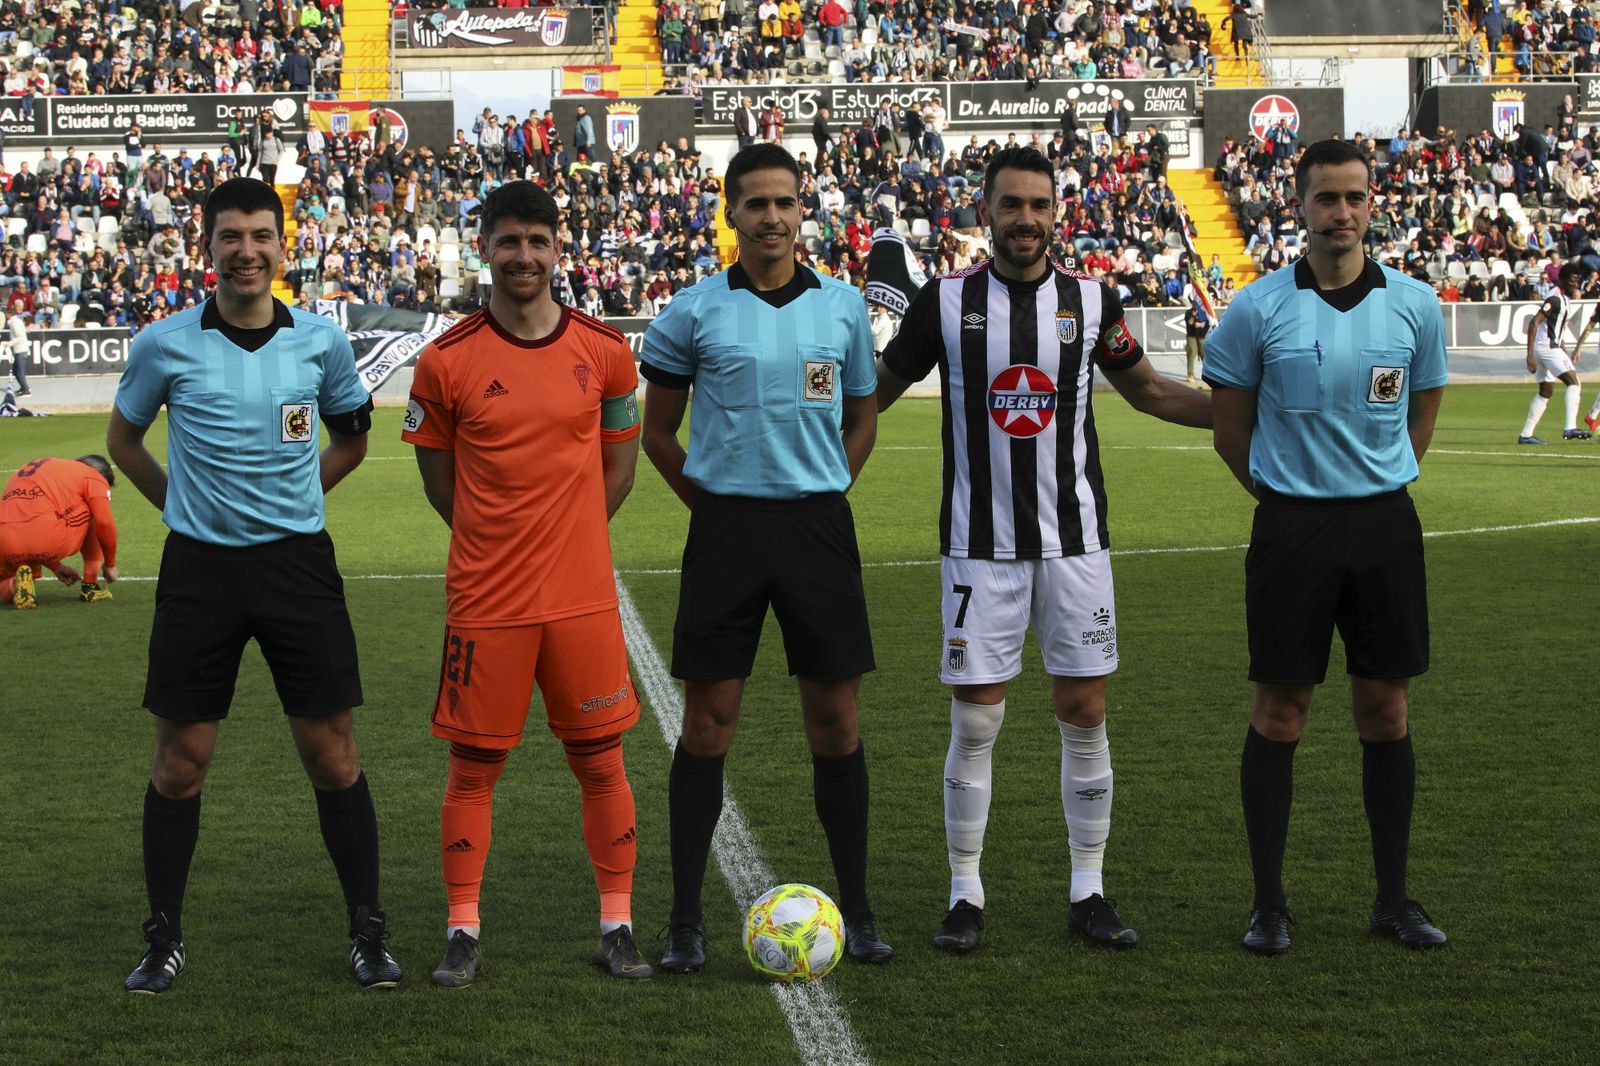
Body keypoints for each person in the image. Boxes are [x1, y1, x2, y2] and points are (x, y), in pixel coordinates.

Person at [874, 146, 1212, 955]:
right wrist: (806, 458)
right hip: (976, 547)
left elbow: (1154, 392)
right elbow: (874, 395)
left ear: (1058, 213)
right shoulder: (945, 302)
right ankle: (965, 893)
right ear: (984, 211)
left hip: (1076, 543)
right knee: (976, 718)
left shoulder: (1095, 302)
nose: (1025, 219)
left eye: (1039, 205)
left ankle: (1088, 889)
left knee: (1084, 711)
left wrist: (1251, 416)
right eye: (1010, 204)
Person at [105, 178, 399, 993]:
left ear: (283, 246)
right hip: (200, 570)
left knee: (333, 755)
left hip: (296, 565)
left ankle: (368, 933)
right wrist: (184, 507)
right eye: (230, 236)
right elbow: (122, 442)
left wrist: (298, 502)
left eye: (260, 236)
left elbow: (352, 439)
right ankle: (162, 937)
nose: (246, 250)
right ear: (207, 248)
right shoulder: (165, 344)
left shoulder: (319, 342)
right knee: (180, 763)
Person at [638, 143, 891, 972]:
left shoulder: (844, 308)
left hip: (818, 528)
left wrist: (828, 488)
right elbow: (658, 431)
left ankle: (857, 911)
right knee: (708, 725)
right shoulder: (694, 309)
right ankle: (683, 921)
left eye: (786, 202)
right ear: (730, 211)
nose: (773, 217)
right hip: (728, 534)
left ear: (801, 208)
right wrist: (712, 506)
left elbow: (863, 415)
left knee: (837, 722)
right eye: (756, 203)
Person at [401, 180, 652, 986]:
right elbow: (440, 483)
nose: (523, 257)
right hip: (489, 602)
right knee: (473, 767)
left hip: (580, 600)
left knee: (601, 761)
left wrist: (570, 538)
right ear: (484, 248)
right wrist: (495, 540)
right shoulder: (445, 361)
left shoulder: (606, 352)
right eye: (508, 242)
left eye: (537, 242)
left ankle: (617, 924)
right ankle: (463, 930)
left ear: (557, 248)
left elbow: (620, 471)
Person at [1205, 138, 1450, 955]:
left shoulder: (1415, 304)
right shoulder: (1257, 307)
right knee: (1281, 712)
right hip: (1292, 527)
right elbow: (1231, 431)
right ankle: (1269, 905)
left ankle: (1393, 899)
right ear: (1299, 206)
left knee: (1386, 710)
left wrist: (1384, 476)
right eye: (1325, 199)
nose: (1340, 213)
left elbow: (1424, 405)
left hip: (1384, 525)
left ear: (1372, 202)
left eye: (1354, 198)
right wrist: (1283, 497)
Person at [0, 455, 119, 609]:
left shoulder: (46, 466)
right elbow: (104, 522)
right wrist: (110, 564)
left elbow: (27, 524)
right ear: (97, 471)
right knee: (94, 509)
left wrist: (55, 566)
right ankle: (91, 585)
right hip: (45, 537)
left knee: (4, 581)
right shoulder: (91, 474)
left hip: (4, 542)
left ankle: (15, 584)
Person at [1523, 264, 1592, 443]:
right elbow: (1533, 322)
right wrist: (1529, 354)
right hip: (1547, 347)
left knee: (1546, 391)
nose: (1575, 284)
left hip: (1549, 347)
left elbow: (1555, 327)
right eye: (1572, 281)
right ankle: (1570, 427)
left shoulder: (1564, 298)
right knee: (1574, 382)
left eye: (1577, 281)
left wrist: (1564, 350)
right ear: (1562, 280)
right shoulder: (1555, 299)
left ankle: (1526, 435)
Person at [5, 307, 30, 397]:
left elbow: (21, 336)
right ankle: (23, 387)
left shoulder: (14, 323)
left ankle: (26, 390)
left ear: (9, 314)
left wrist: (9, 343)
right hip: (20, 349)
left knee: (19, 371)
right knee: (16, 370)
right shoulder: (14, 322)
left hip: (21, 349)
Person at [1184, 301, 1211, 386]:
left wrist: (1201, 326)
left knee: (1205, 355)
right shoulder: (1188, 312)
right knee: (1191, 352)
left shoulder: (1204, 312)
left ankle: (1208, 374)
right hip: (1191, 336)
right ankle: (1190, 374)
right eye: (1194, 304)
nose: (1196, 306)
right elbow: (1190, 323)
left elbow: (1208, 324)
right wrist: (1193, 315)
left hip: (1202, 336)